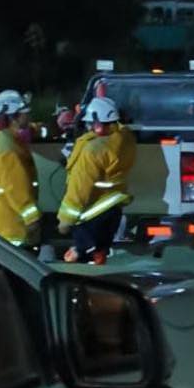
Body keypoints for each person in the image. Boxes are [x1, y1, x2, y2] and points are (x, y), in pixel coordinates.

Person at [57, 96, 135, 265]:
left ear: (98, 123)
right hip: (113, 210)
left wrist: (65, 220)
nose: (88, 128)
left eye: (90, 124)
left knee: (80, 262)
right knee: (98, 255)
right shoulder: (124, 139)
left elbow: (79, 189)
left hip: (91, 214)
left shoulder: (92, 150)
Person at [0, 89, 42, 251]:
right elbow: (16, 188)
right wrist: (32, 219)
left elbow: (23, 132)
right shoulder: (7, 150)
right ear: (12, 117)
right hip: (14, 231)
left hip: (3, 226)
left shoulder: (0, 136)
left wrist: (37, 129)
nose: (28, 117)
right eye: (24, 114)